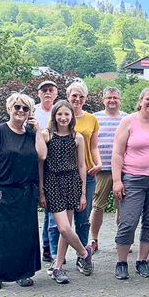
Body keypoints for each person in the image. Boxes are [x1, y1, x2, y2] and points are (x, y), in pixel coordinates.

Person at [0, 93, 43, 289]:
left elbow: (41, 155)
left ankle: (23, 273)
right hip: (0, 192)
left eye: (25, 108)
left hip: (25, 193)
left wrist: (38, 129)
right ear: (9, 109)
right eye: (17, 107)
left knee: (24, 235)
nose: (21, 111)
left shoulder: (32, 136)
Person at [111, 87, 149, 280]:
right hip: (133, 179)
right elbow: (117, 153)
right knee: (128, 222)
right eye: (148, 99)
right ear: (140, 101)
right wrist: (116, 180)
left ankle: (142, 261)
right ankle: (121, 262)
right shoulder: (128, 121)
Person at [37, 100, 94, 284]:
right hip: (52, 182)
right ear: (54, 116)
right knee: (63, 227)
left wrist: (83, 193)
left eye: (66, 114)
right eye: (59, 114)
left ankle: (58, 267)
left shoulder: (77, 137)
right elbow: (40, 161)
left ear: (71, 117)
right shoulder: (47, 135)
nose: (63, 118)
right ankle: (85, 253)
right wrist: (42, 191)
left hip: (72, 183)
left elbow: (82, 165)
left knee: (66, 229)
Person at [48, 81, 101, 273]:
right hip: (55, 181)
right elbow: (43, 155)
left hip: (80, 177)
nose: (77, 99)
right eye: (74, 95)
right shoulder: (50, 129)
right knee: (60, 226)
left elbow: (91, 149)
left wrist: (98, 164)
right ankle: (75, 255)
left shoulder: (89, 123)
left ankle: (63, 265)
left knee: (78, 221)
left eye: (81, 96)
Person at [89, 87, 127, 252]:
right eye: (109, 97)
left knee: (123, 206)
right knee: (98, 205)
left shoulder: (127, 118)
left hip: (124, 168)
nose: (112, 100)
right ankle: (94, 239)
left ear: (120, 100)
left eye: (115, 98)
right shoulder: (95, 118)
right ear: (103, 100)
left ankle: (122, 239)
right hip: (102, 169)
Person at [34, 80, 58, 263]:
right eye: (44, 90)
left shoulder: (59, 111)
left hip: (54, 167)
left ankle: (48, 248)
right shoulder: (32, 111)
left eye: (51, 90)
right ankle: (44, 247)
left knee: (50, 210)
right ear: (39, 94)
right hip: (33, 164)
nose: (47, 93)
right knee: (43, 209)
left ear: (56, 94)